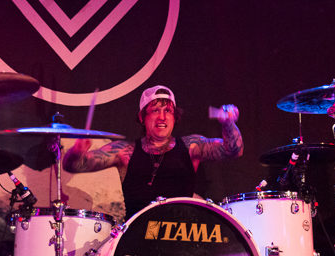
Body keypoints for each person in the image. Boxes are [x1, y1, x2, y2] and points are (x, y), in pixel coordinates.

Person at [63, 85, 243, 220]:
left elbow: (233, 150)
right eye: (155, 110)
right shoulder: (125, 152)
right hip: (138, 238)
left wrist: (228, 123)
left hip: (183, 235)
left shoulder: (192, 146)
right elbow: (74, 165)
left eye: (168, 111)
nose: (162, 117)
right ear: (142, 117)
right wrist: (77, 151)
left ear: (175, 117)